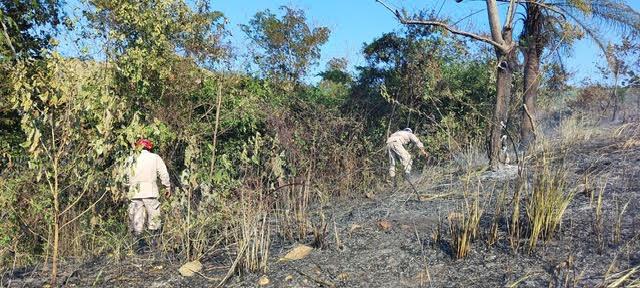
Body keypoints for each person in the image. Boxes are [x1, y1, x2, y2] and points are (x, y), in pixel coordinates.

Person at [127, 138, 171, 253]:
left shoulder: (130, 158)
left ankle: (140, 246)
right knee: (154, 217)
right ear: (149, 147)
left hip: (134, 193)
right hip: (150, 192)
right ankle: (155, 245)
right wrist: (167, 186)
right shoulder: (155, 158)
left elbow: (125, 178)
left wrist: (129, 186)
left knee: (137, 219)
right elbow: (163, 173)